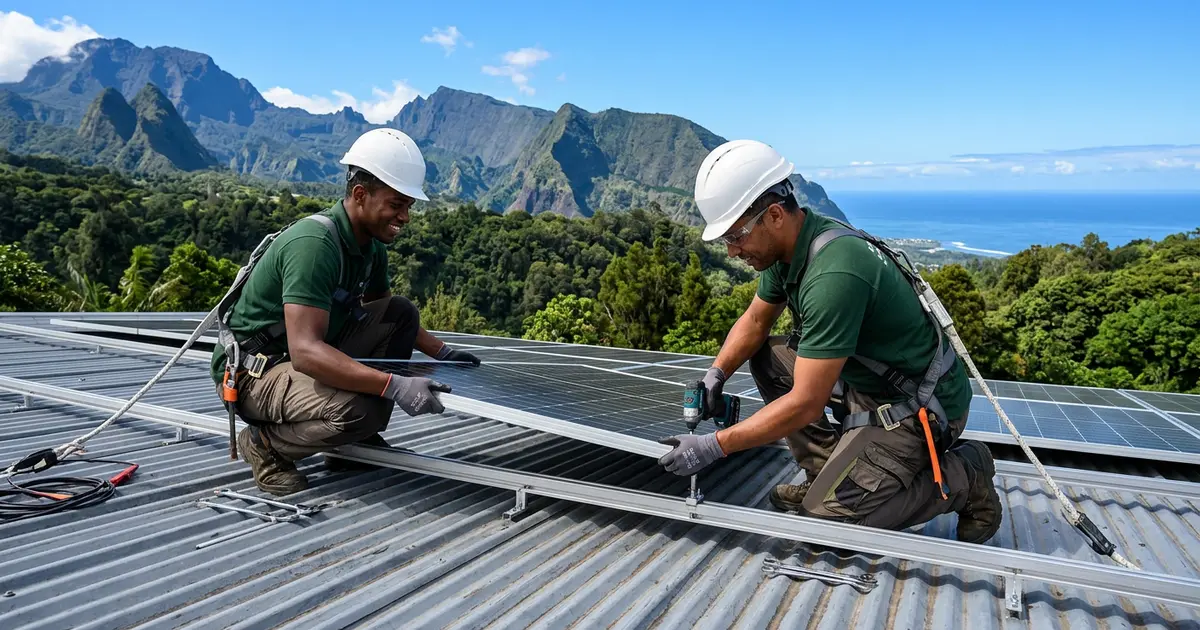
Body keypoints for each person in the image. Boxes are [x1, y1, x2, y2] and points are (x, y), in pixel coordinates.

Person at [657, 139, 1002, 543]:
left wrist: (714, 446)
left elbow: (806, 403)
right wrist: (716, 374)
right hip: (872, 382)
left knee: (829, 526)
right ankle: (827, 473)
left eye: (736, 236)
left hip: (917, 405)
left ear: (773, 215)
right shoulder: (789, 250)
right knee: (767, 358)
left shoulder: (833, 276)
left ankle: (967, 475)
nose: (732, 251)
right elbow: (755, 321)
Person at [210, 128, 480, 496]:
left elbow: (387, 315)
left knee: (399, 312)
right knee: (362, 407)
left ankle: (353, 444)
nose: (405, 217)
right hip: (255, 371)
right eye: (396, 204)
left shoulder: (371, 248)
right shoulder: (315, 245)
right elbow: (306, 353)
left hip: (298, 357)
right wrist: (393, 385)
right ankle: (265, 445)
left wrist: (442, 353)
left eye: (408, 207)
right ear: (360, 195)